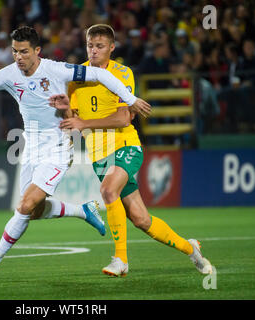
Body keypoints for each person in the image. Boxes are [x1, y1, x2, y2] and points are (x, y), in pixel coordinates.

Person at [0, 26, 151, 280]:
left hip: (58, 147)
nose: (19, 57)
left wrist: (130, 98)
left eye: (24, 51)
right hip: (31, 148)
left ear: (37, 51)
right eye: (15, 51)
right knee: (34, 211)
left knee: (25, 205)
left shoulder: (57, 70)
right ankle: (82, 211)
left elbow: (100, 74)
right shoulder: (9, 74)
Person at [49, 24, 212, 276]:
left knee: (107, 190)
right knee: (140, 219)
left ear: (111, 48)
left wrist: (83, 123)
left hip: (126, 145)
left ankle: (120, 260)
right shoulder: (76, 77)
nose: (94, 51)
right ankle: (190, 249)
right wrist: (66, 110)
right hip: (98, 155)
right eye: (90, 45)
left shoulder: (122, 73)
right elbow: (75, 120)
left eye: (100, 46)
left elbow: (123, 118)